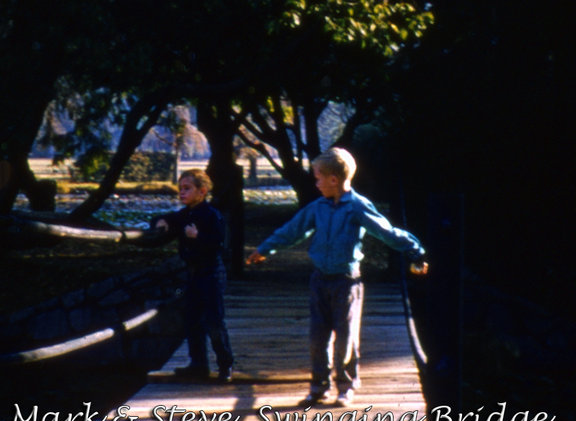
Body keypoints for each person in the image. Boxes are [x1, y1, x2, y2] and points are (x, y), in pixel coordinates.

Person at [246, 148, 427, 407]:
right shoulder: (317, 208)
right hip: (320, 280)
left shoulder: (357, 207)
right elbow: (292, 231)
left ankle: (346, 385)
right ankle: (319, 385)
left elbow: (386, 232)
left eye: (319, 178)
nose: (316, 183)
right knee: (317, 337)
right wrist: (264, 248)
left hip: (346, 281)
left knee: (346, 336)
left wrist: (414, 250)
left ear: (333, 179)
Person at [152, 168, 234, 383]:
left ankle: (225, 365)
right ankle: (198, 364)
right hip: (193, 275)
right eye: (180, 189)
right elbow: (168, 217)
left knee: (214, 321)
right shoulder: (185, 214)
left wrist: (197, 237)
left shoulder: (211, 215)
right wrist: (161, 222)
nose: (182, 193)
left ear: (202, 191)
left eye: (187, 189)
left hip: (211, 273)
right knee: (192, 320)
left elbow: (218, 244)